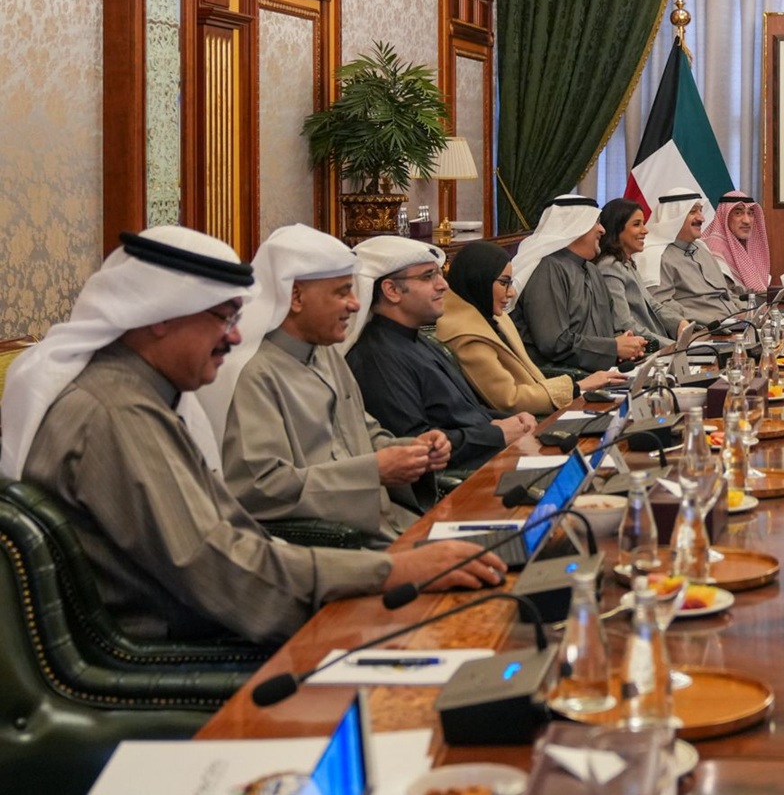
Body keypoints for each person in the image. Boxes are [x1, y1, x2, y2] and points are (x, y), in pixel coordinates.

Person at [0, 227, 500, 644]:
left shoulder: (139, 394)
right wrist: (392, 572)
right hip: (180, 645)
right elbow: (221, 567)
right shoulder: (117, 413)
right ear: (157, 320)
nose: (235, 336)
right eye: (221, 317)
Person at [201, 225, 449, 543]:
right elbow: (260, 487)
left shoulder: (328, 354)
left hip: (392, 524)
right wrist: (374, 470)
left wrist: (413, 452)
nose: (356, 305)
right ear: (297, 296)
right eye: (342, 292)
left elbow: (366, 435)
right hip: (339, 546)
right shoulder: (253, 374)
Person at [345, 237, 537, 470]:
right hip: (465, 482)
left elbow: (464, 412)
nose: (443, 285)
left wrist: (510, 420)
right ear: (392, 290)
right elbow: (416, 445)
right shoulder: (377, 359)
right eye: (428, 276)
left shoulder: (418, 341)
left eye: (439, 274)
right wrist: (496, 434)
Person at [438, 240, 624, 417]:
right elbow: (509, 400)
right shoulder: (467, 336)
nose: (511, 293)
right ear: (479, 280)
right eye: (504, 283)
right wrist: (579, 386)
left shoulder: (492, 316)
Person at [513, 194, 648, 374]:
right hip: (562, 377)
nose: (602, 230)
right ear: (575, 227)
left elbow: (605, 331)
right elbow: (553, 343)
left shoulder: (592, 270)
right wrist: (612, 347)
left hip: (603, 372)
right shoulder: (548, 269)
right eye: (595, 223)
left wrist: (625, 345)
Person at [643, 188, 747, 325]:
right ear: (674, 218)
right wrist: (713, 321)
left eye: (700, 211)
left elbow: (727, 294)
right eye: (692, 212)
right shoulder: (656, 255)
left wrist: (747, 312)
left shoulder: (701, 248)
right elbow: (663, 305)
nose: (701, 218)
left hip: (733, 324)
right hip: (704, 332)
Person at [597, 197, 689, 349]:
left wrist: (680, 323)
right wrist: (673, 347)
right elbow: (624, 325)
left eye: (643, 224)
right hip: (642, 351)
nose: (645, 230)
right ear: (617, 229)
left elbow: (653, 305)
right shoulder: (609, 267)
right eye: (636, 224)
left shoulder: (626, 262)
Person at [698, 191, 771, 295]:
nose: (747, 220)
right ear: (725, 217)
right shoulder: (713, 248)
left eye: (750, 213)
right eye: (738, 213)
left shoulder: (744, 245)